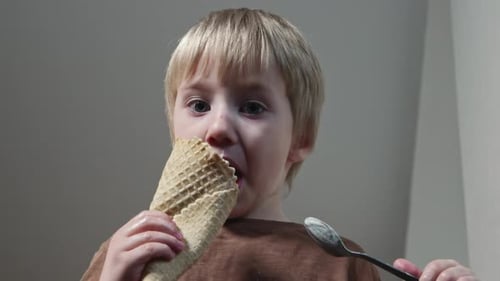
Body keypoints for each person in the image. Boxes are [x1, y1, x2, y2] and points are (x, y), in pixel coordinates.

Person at [81, 8, 478, 281]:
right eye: (199, 105)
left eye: (252, 107)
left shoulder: (340, 264)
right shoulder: (133, 250)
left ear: (300, 139)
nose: (217, 128)